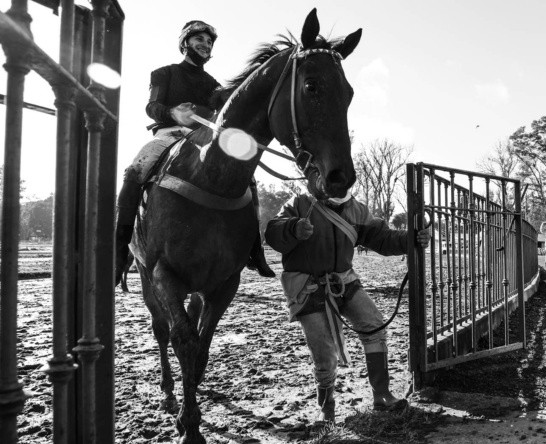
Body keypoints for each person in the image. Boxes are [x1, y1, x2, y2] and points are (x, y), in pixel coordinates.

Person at [114, 20, 273, 285]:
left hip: (204, 140)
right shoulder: (163, 73)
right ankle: (118, 251)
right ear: (185, 42)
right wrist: (172, 112)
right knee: (135, 171)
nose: (205, 45)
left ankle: (254, 251)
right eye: (199, 39)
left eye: (209, 42)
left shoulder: (214, 85)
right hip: (168, 135)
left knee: (249, 179)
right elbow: (152, 107)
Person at [265, 189, 431, 423]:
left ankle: (381, 395)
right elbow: (272, 233)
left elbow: (382, 238)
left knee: (373, 325)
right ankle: (326, 407)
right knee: (324, 352)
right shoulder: (300, 203)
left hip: (344, 280)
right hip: (307, 286)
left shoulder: (358, 210)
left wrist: (411, 238)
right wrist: (293, 228)